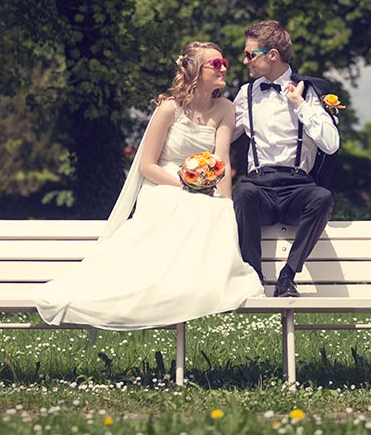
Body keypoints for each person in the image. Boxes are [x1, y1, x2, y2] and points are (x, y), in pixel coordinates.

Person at [34, 41, 263, 330]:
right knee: (185, 205)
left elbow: (222, 162)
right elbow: (146, 166)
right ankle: (154, 285)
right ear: (194, 70)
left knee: (215, 212)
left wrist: (223, 201)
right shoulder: (169, 108)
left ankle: (197, 285)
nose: (224, 68)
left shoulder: (225, 108)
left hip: (204, 188)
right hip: (164, 185)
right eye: (215, 64)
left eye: (224, 62)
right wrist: (185, 186)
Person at [232, 20, 340, 297]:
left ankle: (288, 276)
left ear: (272, 55)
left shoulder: (310, 91)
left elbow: (331, 144)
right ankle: (254, 276)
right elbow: (219, 134)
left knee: (323, 198)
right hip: (259, 187)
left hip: (297, 188)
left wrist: (301, 106)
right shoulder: (246, 94)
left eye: (249, 54)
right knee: (242, 193)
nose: (245, 61)